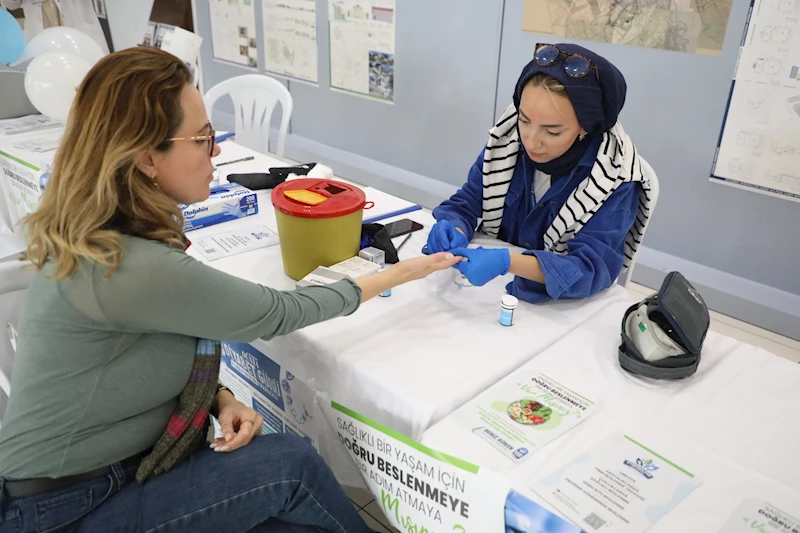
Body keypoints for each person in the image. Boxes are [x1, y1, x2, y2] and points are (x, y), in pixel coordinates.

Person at [0, 47, 459, 533]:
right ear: (146, 158)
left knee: (293, 518)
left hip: (98, 477)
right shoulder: (127, 263)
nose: (215, 151)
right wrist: (394, 274)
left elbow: (144, 349)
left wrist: (220, 398)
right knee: (292, 465)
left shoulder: (106, 234)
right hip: (67, 507)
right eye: (202, 138)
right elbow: (277, 313)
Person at [426, 43, 653, 303]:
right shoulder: (507, 139)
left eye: (552, 131)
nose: (531, 141)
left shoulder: (615, 177)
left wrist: (508, 262)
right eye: (524, 120)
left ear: (586, 127)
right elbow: (468, 200)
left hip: (559, 310)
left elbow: (590, 269)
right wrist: (454, 226)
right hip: (488, 298)